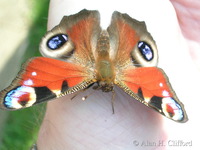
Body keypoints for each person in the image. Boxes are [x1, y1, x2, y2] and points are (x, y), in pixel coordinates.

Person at [35, 0, 200, 149]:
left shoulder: (85, 77)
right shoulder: (122, 79)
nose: (105, 87)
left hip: (85, 47)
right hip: (122, 49)